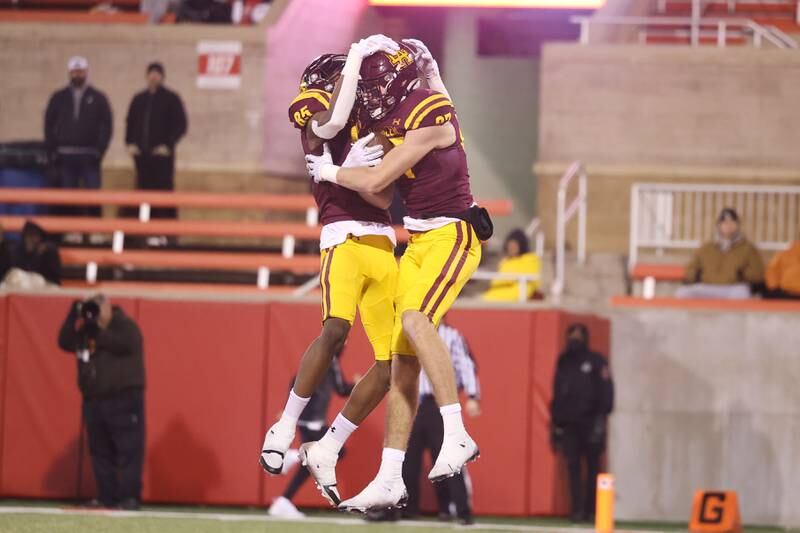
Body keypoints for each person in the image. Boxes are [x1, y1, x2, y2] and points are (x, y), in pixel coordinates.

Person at [305, 39, 487, 511]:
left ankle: (457, 433)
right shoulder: (399, 108)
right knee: (398, 358)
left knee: (414, 321)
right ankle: (389, 476)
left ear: (390, 84)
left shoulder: (430, 111)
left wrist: (329, 172)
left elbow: (374, 182)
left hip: (453, 235)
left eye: (370, 85)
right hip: (419, 240)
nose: (365, 96)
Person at [259, 34, 403, 508]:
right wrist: (356, 58)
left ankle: (330, 444)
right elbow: (333, 119)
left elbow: (384, 199)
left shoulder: (368, 127)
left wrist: (352, 172)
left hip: (382, 242)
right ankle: (285, 423)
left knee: (392, 365)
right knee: (336, 330)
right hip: (341, 236)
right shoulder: (315, 113)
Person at [369, 317, 480, 524]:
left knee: (449, 458)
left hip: (437, 404)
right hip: (411, 402)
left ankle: (462, 511)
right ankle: (399, 509)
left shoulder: (451, 335)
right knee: (403, 458)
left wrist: (473, 395)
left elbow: (465, 363)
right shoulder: (407, 333)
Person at [57, 294, 146, 510]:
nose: (93, 312)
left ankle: (128, 498)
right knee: (100, 452)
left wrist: (97, 326)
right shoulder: (86, 332)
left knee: (128, 450)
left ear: (108, 306)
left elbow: (121, 343)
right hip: (94, 400)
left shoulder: (125, 327)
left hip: (123, 399)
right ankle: (107, 497)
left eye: (98, 306)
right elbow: (64, 341)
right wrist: (72, 315)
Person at [268, 349, 355, 519]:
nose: (345, 344)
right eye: (344, 341)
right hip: (313, 420)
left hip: (306, 418)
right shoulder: (330, 359)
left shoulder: (317, 355)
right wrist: (360, 385)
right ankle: (292, 458)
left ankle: (283, 501)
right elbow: (342, 388)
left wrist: (289, 409)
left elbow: (296, 380)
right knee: (334, 452)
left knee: (313, 462)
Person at [550, 323, 614, 523]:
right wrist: (557, 423)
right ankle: (576, 510)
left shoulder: (596, 361)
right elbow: (558, 392)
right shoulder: (564, 361)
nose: (575, 339)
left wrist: (601, 419)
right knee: (573, 468)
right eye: (572, 335)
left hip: (591, 422)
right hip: (570, 425)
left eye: (578, 336)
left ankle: (592, 510)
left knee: (594, 467)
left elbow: (607, 390)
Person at [44, 56, 112, 225]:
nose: (77, 75)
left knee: (93, 194)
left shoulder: (98, 98)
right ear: (69, 73)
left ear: (86, 73)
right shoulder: (58, 97)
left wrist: (100, 150)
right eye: (74, 72)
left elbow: (107, 125)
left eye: (80, 72)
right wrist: (53, 151)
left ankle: (96, 229)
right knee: (68, 196)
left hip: (90, 155)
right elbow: (48, 125)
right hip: (65, 155)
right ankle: (71, 229)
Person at [125, 62, 188, 235]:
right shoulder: (139, 99)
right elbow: (130, 122)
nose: (154, 77)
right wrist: (130, 144)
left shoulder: (171, 99)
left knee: (163, 194)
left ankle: (166, 232)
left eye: (157, 74)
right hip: (142, 157)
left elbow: (181, 125)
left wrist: (167, 145)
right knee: (143, 193)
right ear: (147, 76)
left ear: (162, 77)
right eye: (151, 74)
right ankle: (144, 231)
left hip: (162, 157)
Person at [676, 208, 764, 299]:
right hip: (708, 286)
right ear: (719, 225)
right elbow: (692, 268)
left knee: (741, 294)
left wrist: (742, 275)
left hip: (733, 287)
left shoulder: (748, 248)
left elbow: (757, 273)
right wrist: (693, 276)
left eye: (732, 222)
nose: (728, 225)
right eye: (725, 222)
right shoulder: (706, 248)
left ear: (737, 225)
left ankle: (732, 314)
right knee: (683, 293)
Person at [482, 229, 541, 301]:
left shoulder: (530, 259)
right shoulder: (506, 261)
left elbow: (511, 277)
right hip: (495, 295)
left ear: (521, 246)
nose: (511, 248)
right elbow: (496, 281)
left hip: (515, 298)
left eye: (514, 246)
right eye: (509, 245)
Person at [8, 220, 61, 286]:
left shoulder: (49, 251)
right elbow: (17, 272)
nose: (31, 238)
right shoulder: (18, 250)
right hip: (23, 285)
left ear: (40, 236)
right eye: (29, 235)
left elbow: (53, 277)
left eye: (34, 235)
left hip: (47, 285)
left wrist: (38, 255)